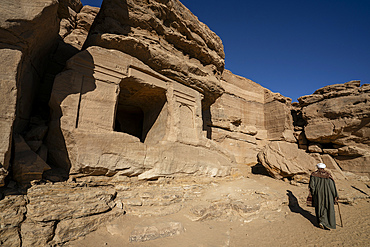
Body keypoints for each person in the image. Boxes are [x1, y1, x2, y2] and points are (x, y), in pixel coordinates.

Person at [309, 163, 338, 230]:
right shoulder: (328, 175)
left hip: (318, 194)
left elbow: (312, 186)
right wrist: (335, 195)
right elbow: (332, 186)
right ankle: (326, 222)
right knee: (328, 207)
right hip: (328, 194)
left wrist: (314, 193)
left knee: (320, 207)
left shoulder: (313, 175)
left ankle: (321, 221)